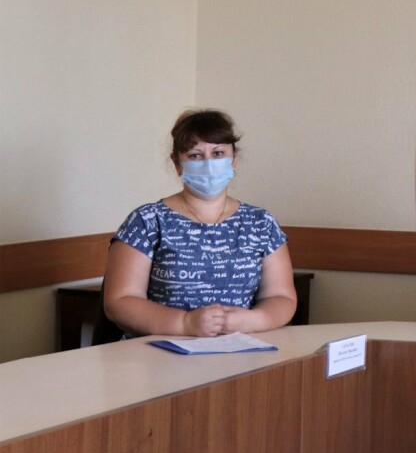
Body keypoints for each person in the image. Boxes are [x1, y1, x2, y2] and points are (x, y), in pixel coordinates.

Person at [104, 109, 296, 337]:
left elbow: (281, 297)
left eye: (218, 153)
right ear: (177, 163)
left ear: (234, 159)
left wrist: (254, 320)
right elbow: (120, 301)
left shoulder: (261, 223)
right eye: (195, 155)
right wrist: (184, 323)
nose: (208, 164)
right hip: (158, 353)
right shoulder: (147, 221)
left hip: (239, 351)